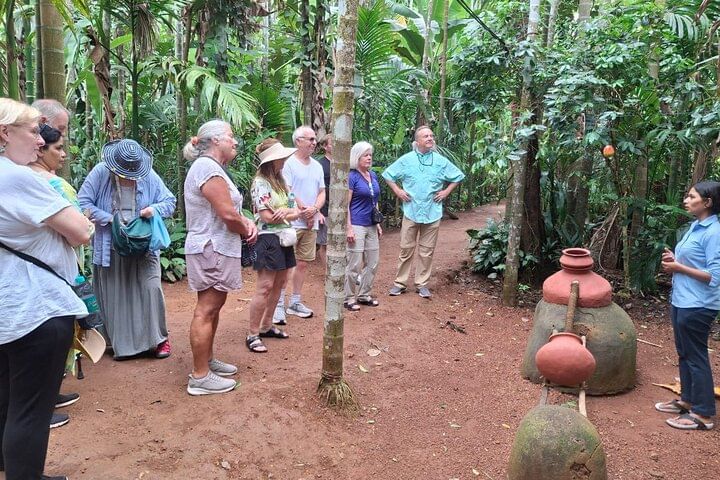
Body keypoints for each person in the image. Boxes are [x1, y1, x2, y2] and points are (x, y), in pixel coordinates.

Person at [0, 98, 90, 480]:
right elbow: (81, 231)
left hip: (9, 306)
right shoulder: (16, 177)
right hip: (37, 308)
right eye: (34, 132)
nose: (41, 141)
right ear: (5, 133)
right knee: (31, 411)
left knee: (8, 400)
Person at [78, 139, 176, 360]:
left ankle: (159, 339)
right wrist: (110, 220)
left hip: (143, 245)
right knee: (117, 293)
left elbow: (169, 201)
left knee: (151, 288)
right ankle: (121, 343)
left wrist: (153, 209)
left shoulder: (148, 175)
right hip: (110, 245)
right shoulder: (100, 173)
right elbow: (83, 203)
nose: (130, 176)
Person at [183, 120, 258, 395]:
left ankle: (207, 360)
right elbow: (226, 214)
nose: (234, 141)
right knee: (207, 308)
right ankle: (200, 377)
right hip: (211, 246)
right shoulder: (207, 167)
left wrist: (244, 221)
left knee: (213, 306)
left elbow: (227, 211)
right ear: (215, 140)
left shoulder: (212, 168)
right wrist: (246, 228)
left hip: (215, 246)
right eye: (230, 136)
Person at [655, 181, 720, 431]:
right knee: (684, 352)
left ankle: (703, 414)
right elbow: (694, 261)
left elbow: (714, 276)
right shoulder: (695, 226)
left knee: (695, 355)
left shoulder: (714, 233)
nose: (686, 200)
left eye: (691, 196)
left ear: (707, 202)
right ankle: (687, 400)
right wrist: (675, 259)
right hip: (682, 299)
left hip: (699, 304)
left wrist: (678, 267)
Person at [31, 99, 78, 428]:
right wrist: (84, 224)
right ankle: (39, 406)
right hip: (44, 273)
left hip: (44, 268)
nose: (63, 150)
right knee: (44, 340)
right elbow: (79, 231)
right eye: (58, 140)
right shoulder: (44, 183)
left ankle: (47, 395)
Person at [383, 125, 465, 299]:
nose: (430, 138)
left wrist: (446, 192)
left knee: (427, 251)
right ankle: (400, 283)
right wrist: (398, 191)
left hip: (432, 212)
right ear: (417, 141)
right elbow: (388, 175)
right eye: (426, 136)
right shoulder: (406, 160)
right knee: (406, 249)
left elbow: (458, 176)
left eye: (431, 136)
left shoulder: (440, 161)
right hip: (411, 211)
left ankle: (422, 284)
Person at [246, 139, 299, 352]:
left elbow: (295, 210)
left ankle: (267, 325)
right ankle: (252, 334)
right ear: (271, 160)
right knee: (265, 286)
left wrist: (286, 212)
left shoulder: (282, 181)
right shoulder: (260, 183)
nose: (284, 161)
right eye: (280, 158)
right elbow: (266, 216)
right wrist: (288, 213)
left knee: (280, 283)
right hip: (268, 238)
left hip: (285, 237)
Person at [273, 125, 325, 323]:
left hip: (311, 223)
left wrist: (315, 209)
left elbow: (322, 191)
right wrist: (304, 211)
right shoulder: (288, 164)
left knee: (302, 263)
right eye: (310, 139)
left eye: (314, 139)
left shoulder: (317, 166)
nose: (314, 142)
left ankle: (295, 302)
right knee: (286, 265)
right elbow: (288, 191)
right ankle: (278, 304)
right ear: (298, 141)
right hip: (292, 222)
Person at [344, 141, 382, 311]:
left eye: (370, 155)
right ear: (357, 157)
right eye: (365, 155)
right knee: (354, 263)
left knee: (372, 262)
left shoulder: (372, 175)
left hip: (371, 224)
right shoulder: (352, 177)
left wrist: (378, 223)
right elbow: (345, 204)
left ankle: (364, 294)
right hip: (357, 224)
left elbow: (374, 200)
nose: (369, 158)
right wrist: (349, 227)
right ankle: (348, 297)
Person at [315, 134, 333, 265]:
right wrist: (318, 211)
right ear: (325, 147)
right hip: (324, 209)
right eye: (332, 143)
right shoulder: (319, 165)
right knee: (325, 243)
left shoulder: (344, 164)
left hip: (340, 209)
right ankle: (328, 272)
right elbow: (315, 189)